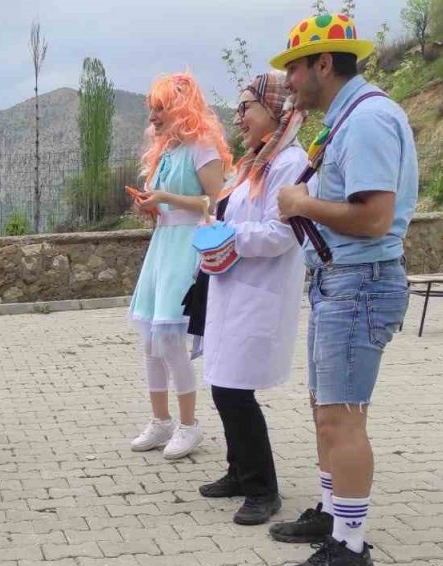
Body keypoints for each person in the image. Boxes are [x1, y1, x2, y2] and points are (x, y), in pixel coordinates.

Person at [269, 12, 418, 566]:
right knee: (325, 408)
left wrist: (302, 203)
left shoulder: (370, 120)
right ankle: (333, 514)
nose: (289, 82)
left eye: (294, 69)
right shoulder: (349, 118)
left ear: (323, 65)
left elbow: (375, 218)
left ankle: (351, 548)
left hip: (359, 284)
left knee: (344, 416)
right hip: (338, 282)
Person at [199, 71, 308, 526]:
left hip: (260, 292)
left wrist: (228, 233)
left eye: (248, 107)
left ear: (277, 109)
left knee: (235, 390)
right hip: (234, 286)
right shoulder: (255, 162)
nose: (239, 116)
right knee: (223, 383)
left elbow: (281, 234)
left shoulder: (290, 163)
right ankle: (238, 471)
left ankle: (263, 489)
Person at [128, 72, 230, 461]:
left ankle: (190, 426)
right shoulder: (166, 152)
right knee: (151, 340)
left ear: (180, 109)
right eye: (152, 110)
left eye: (160, 109)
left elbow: (216, 203)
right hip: (163, 245)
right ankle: (161, 421)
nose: (153, 118)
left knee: (170, 339)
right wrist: (152, 207)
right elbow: (169, 207)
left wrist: (169, 196)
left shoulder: (202, 147)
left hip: (187, 247)